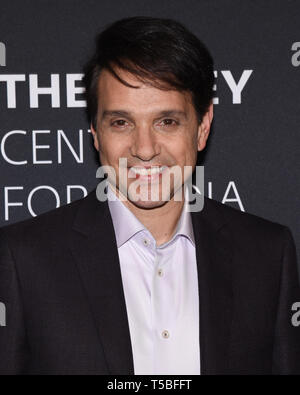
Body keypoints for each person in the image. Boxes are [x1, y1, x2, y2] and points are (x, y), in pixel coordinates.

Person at [0, 16, 299, 375]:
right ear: (95, 132)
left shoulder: (266, 254)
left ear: (202, 127)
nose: (144, 149)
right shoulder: (25, 258)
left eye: (167, 122)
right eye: (121, 122)